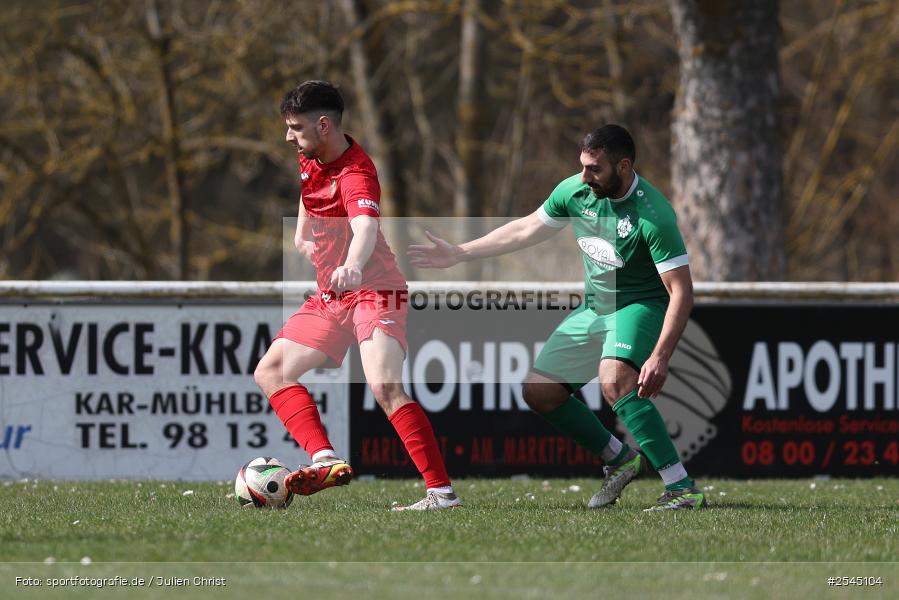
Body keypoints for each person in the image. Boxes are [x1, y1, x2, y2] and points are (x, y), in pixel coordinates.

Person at [408, 124, 704, 510]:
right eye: (582, 166)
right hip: (594, 308)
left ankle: (681, 488)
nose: (585, 176)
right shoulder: (576, 192)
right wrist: (461, 253)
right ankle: (619, 459)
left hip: (638, 307)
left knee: (614, 381)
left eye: (595, 168)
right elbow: (526, 229)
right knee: (540, 390)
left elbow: (681, 291)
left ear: (625, 166)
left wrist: (660, 356)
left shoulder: (654, 215)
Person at [254, 80, 460, 511]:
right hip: (332, 295)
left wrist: (351, 263)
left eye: (295, 128)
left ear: (324, 125)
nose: (288, 136)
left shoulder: (357, 173)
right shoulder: (310, 154)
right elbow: (309, 189)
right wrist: (300, 234)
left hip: (374, 289)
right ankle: (324, 459)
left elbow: (365, 227)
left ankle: (441, 493)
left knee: (384, 385)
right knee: (271, 371)